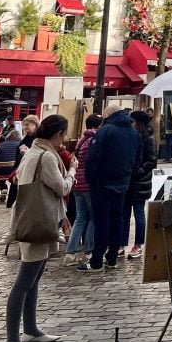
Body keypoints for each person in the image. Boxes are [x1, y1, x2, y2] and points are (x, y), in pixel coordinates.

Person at [3, 114, 77, 342]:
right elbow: (63, 188)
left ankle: (30, 329)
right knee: (25, 280)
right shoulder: (45, 156)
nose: (64, 140)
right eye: (63, 135)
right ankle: (12, 341)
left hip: (35, 220)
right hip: (38, 222)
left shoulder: (34, 152)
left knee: (33, 278)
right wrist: (72, 170)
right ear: (57, 135)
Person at [79, 107, 141, 274]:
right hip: (123, 182)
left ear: (107, 115)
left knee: (102, 222)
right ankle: (112, 258)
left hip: (103, 183)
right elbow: (138, 159)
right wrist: (128, 176)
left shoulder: (105, 131)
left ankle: (97, 260)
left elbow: (93, 159)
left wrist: (93, 180)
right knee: (117, 220)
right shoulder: (134, 133)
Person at [64, 113, 103, 266]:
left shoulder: (82, 140)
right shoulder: (94, 140)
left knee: (80, 218)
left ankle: (70, 252)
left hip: (77, 183)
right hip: (89, 184)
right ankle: (88, 250)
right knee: (93, 218)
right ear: (97, 126)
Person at [120, 110, 157, 260]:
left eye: (133, 122)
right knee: (124, 215)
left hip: (140, 182)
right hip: (128, 181)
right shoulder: (130, 137)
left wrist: (138, 172)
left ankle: (138, 244)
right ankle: (121, 244)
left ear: (139, 123)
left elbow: (152, 160)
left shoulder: (149, 139)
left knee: (139, 213)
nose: (131, 124)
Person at [6, 114, 39, 211]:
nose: (25, 127)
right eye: (24, 125)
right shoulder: (26, 138)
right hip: (20, 168)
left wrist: (28, 152)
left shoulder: (37, 139)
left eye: (27, 125)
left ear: (35, 125)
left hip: (28, 170)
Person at [0, 127, 22, 202]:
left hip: (2, 172)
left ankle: (3, 188)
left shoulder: (1, 145)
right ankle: (17, 194)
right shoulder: (20, 145)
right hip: (15, 172)